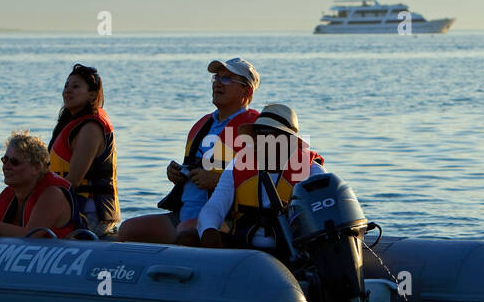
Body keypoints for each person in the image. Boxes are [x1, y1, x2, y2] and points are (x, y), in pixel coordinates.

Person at [117, 57, 260, 243]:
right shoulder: (202, 124)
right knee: (128, 230)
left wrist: (218, 180)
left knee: (186, 233)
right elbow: (193, 165)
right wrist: (176, 173)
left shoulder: (256, 128)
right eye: (216, 78)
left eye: (226, 79)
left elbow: (266, 184)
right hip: (185, 214)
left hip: (225, 220)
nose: (217, 83)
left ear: (246, 91)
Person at [194, 103, 325, 259]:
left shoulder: (312, 170)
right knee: (188, 238)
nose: (259, 139)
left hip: (291, 254)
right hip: (244, 251)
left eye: (267, 133)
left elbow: (322, 219)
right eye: (257, 133)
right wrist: (209, 231)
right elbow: (215, 206)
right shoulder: (238, 164)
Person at [48, 64, 120, 236]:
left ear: (92, 95)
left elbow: (73, 180)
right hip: (71, 206)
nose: (67, 91)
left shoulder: (90, 128)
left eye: (75, 86)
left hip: (89, 214)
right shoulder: (71, 124)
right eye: (66, 86)